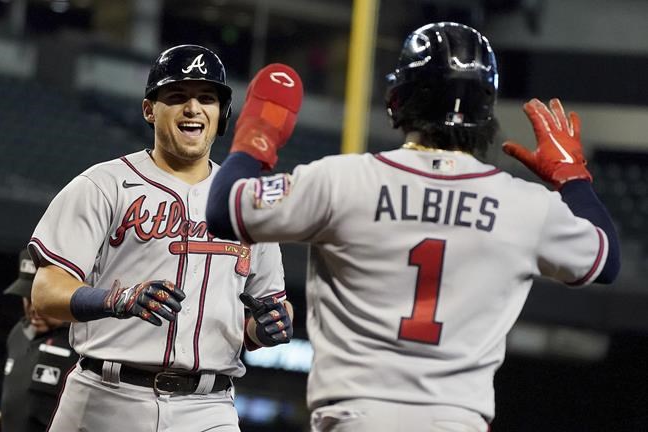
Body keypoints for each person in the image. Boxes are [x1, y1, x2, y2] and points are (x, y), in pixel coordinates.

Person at [205, 22, 620, 432]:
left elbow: (224, 208)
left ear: (399, 98)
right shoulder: (527, 206)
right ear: (485, 109)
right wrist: (573, 180)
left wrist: (255, 139)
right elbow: (605, 260)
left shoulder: (343, 180)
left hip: (355, 415)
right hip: (456, 420)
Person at [27, 44, 293, 432]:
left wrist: (267, 328)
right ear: (149, 109)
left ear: (222, 116)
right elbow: (46, 291)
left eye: (207, 98)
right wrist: (115, 299)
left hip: (209, 408)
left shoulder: (247, 201)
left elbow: (271, 308)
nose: (193, 108)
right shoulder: (104, 185)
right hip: (106, 396)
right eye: (177, 96)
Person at [0, 248, 79, 432]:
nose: (34, 309)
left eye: (41, 299)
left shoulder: (83, 344)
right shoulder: (18, 332)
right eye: (27, 298)